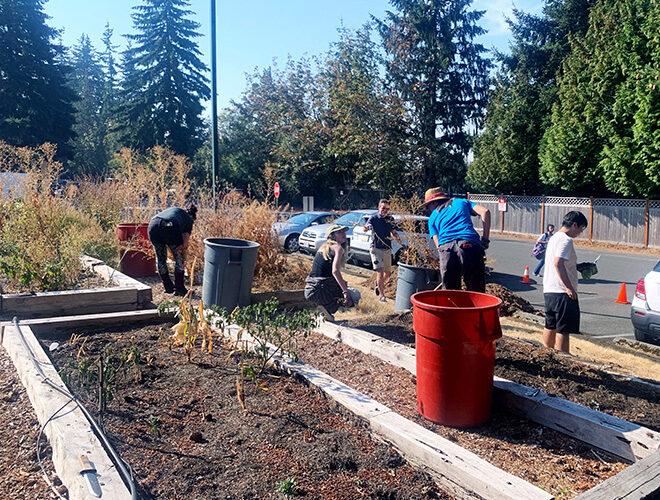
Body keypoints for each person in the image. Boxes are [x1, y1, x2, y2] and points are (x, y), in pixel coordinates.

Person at [422, 188, 491, 293]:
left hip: (446, 249)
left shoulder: (432, 218)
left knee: (450, 293)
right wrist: (485, 239)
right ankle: (476, 309)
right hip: (468, 244)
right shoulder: (461, 202)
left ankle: (453, 308)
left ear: (433, 203)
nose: (428, 209)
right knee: (476, 289)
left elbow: (438, 246)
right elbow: (485, 211)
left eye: (428, 206)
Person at [542, 211, 588, 353]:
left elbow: (560, 262)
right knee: (563, 329)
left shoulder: (554, 237)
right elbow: (558, 263)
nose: (580, 232)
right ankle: (564, 358)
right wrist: (569, 288)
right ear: (574, 224)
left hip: (550, 289)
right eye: (581, 228)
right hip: (562, 291)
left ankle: (547, 353)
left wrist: (577, 266)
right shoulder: (566, 240)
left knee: (550, 324)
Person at [304, 224, 360, 320]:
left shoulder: (323, 247)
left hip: (310, 290)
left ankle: (325, 311)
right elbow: (335, 271)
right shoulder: (337, 248)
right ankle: (328, 309)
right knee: (355, 295)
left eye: (344, 232)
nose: (343, 234)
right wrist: (345, 291)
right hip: (321, 289)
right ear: (331, 236)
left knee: (341, 284)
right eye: (339, 232)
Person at [147, 204, 197, 296]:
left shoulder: (176, 211)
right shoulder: (189, 219)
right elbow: (185, 241)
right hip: (170, 226)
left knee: (161, 259)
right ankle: (179, 288)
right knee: (180, 259)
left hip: (152, 226)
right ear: (193, 217)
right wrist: (181, 254)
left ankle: (168, 287)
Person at [364, 199, 400, 303]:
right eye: (383, 208)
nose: (385, 211)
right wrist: (367, 227)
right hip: (375, 249)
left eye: (387, 209)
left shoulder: (390, 219)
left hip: (387, 248)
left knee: (388, 273)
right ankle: (382, 296)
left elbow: (393, 231)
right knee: (380, 272)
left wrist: (399, 240)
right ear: (379, 208)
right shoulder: (373, 218)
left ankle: (377, 283)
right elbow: (365, 227)